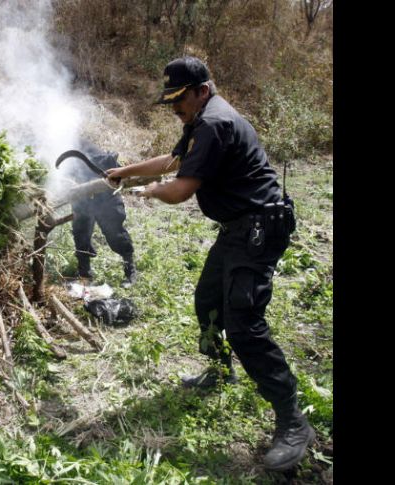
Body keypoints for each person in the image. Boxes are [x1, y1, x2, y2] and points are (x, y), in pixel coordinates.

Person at [106, 56, 313, 472]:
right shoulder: (201, 122)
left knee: (244, 324)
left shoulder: (215, 122)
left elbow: (180, 188)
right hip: (239, 227)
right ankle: (220, 371)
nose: (175, 108)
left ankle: (293, 421)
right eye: (171, 101)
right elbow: (174, 161)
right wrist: (124, 172)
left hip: (258, 229)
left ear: (203, 90)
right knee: (208, 301)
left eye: (180, 99)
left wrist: (149, 192)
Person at [68, 141, 137, 289]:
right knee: (81, 234)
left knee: (115, 234)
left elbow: (119, 175)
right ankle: (85, 275)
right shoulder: (70, 154)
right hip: (82, 197)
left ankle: (130, 271)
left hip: (106, 197)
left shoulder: (101, 157)